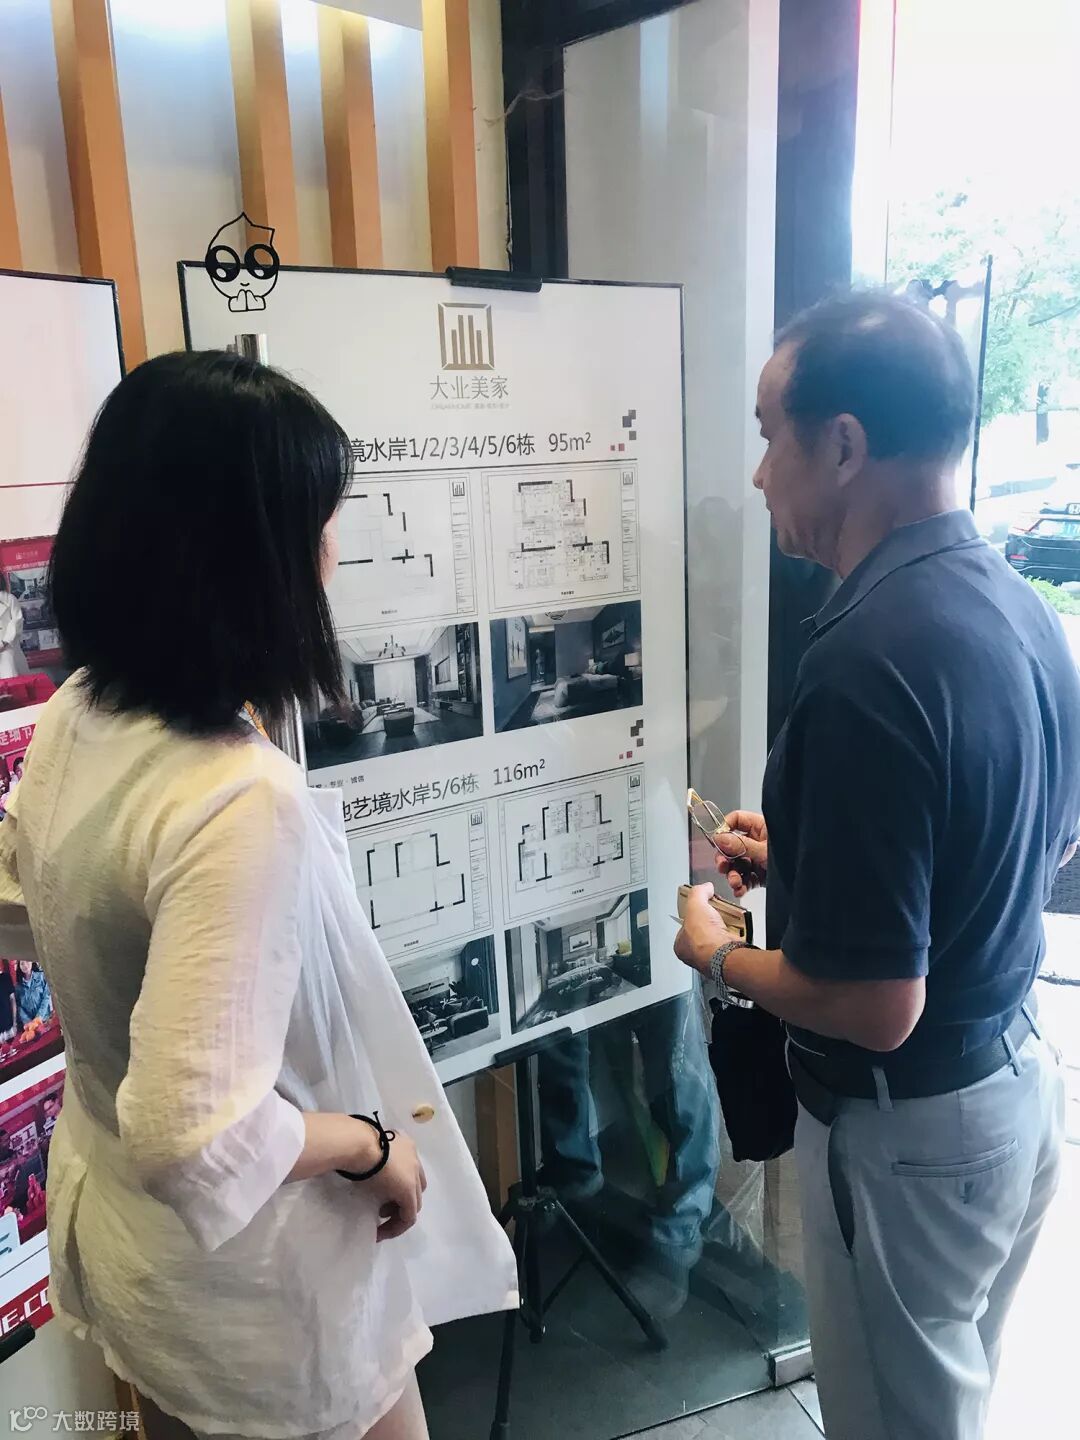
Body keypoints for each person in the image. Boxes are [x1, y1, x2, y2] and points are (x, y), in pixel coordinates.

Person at [0, 351, 516, 1440]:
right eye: (318, 525)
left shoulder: (80, 715)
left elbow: (27, 902)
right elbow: (190, 1136)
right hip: (264, 1301)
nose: (333, 555)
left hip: (148, 1266)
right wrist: (367, 1145)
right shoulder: (235, 799)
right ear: (249, 562)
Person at [675, 292, 1080, 1440]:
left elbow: (875, 1006)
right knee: (945, 1404)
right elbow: (1043, 838)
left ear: (844, 445)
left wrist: (718, 955)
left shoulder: (864, 657)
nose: (761, 475)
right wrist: (816, 853)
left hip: (910, 1134)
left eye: (771, 436)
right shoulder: (1016, 603)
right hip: (1013, 1091)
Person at [15, 957, 52, 1030]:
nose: (25, 965)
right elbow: (19, 1007)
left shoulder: (42, 976)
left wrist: (38, 1018)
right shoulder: (18, 987)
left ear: (32, 962)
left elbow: (46, 997)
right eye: (22, 963)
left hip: (45, 1020)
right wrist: (29, 1022)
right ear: (19, 966)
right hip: (30, 1026)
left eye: (27, 961)